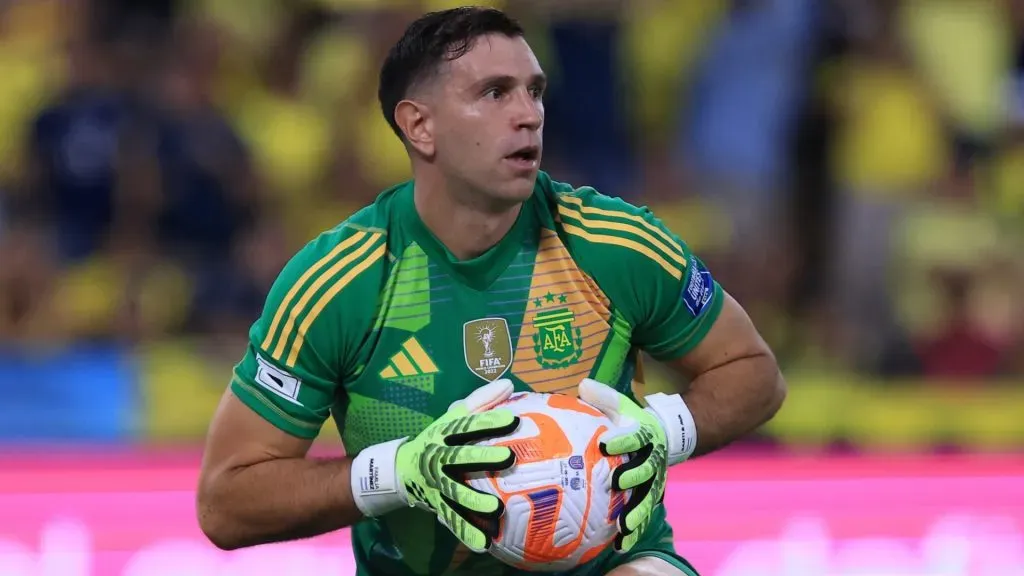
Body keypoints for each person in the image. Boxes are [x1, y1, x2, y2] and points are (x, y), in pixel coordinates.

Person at [196, 7, 786, 576]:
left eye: (535, 91)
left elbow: (754, 374)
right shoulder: (339, 283)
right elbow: (226, 501)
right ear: (419, 125)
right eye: (495, 93)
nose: (528, 114)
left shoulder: (615, 244)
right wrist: (400, 473)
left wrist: (666, 429)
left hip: (616, 562)